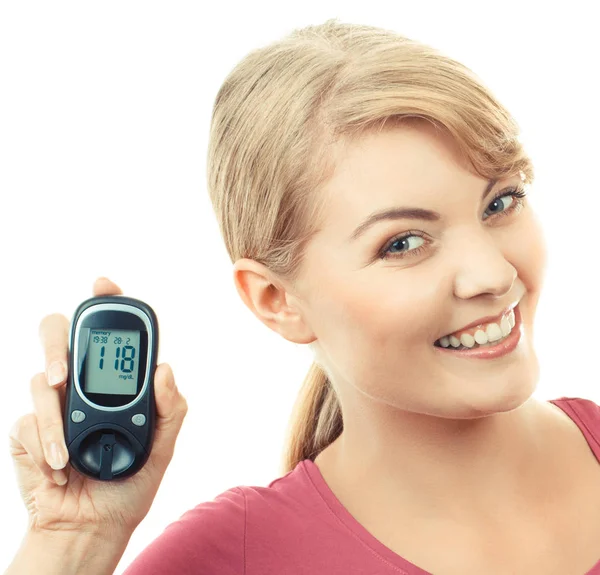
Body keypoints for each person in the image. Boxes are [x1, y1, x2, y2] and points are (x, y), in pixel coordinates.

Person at [5, 18, 600, 575]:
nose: (492, 274)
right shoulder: (232, 559)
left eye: (500, 202)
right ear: (275, 300)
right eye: (405, 242)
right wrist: (72, 540)